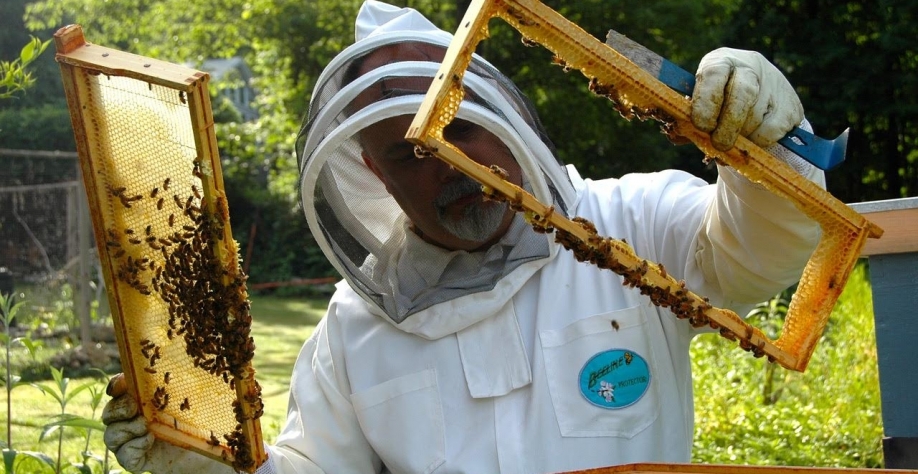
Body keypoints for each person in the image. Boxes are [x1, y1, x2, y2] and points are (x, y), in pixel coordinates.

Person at [102, 1, 825, 473]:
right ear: (373, 175)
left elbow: (760, 250)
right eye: (409, 154)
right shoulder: (354, 336)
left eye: (459, 129)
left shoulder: (631, 225)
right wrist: (208, 462)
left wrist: (771, 148)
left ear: (500, 112)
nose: (452, 164)